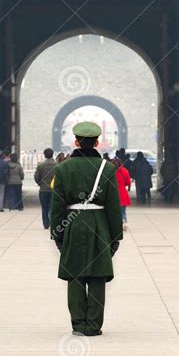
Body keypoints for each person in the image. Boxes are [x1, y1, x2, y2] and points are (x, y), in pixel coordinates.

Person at [50, 121, 123, 337]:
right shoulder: (107, 169)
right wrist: (115, 236)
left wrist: (57, 233)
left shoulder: (62, 168)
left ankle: (78, 325)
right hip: (99, 224)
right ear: (97, 143)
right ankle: (93, 326)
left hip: (72, 224)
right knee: (97, 276)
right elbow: (112, 205)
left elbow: (57, 206)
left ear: (76, 142)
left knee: (75, 276)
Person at [34, 148, 56, 229]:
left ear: (44, 154)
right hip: (54, 189)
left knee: (44, 207)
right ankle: (52, 222)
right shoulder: (57, 165)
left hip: (43, 189)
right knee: (52, 207)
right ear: (52, 154)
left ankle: (46, 224)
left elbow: (36, 177)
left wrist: (39, 183)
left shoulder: (40, 165)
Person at [113, 157, 131, 230]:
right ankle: (124, 222)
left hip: (113, 193)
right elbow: (128, 182)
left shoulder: (110, 171)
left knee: (114, 211)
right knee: (123, 211)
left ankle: (116, 224)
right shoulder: (125, 171)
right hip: (123, 193)